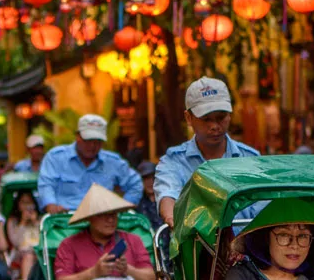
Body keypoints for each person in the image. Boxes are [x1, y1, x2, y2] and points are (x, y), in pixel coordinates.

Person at [154, 78, 259, 228]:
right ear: (188, 118)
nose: (215, 126)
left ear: (230, 115)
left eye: (221, 118)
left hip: (247, 248)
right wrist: (171, 217)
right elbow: (168, 193)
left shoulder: (250, 159)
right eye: (206, 119)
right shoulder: (174, 161)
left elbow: (263, 208)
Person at [37, 114, 142, 214]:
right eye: (88, 140)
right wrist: (50, 205)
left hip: (102, 220)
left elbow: (136, 184)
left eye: (98, 141)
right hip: (64, 220)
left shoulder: (112, 162)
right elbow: (46, 184)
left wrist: (124, 207)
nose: (92, 145)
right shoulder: (56, 157)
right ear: (77, 137)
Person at [6, 189, 41, 280]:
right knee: (28, 255)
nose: (26, 206)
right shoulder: (12, 221)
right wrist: (22, 223)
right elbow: (15, 242)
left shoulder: (41, 219)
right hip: (21, 252)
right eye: (23, 202)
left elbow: (44, 237)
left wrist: (35, 223)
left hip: (38, 250)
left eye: (29, 202)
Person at [135, 161, 162, 230]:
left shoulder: (166, 199)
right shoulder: (136, 202)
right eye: (145, 179)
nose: (150, 182)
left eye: (152, 178)